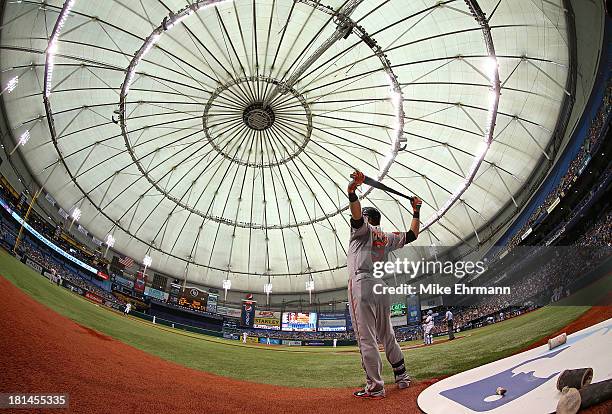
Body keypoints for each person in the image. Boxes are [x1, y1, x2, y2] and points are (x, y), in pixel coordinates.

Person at [346, 170, 422, 399]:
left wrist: (352, 192)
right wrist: (416, 210)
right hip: (381, 286)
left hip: (361, 283)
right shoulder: (387, 237)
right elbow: (413, 234)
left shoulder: (363, 229)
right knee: (387, 333)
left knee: (366, 337)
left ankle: (375, 387)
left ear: (369, 219)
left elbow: (356, 215)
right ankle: (402, 377)